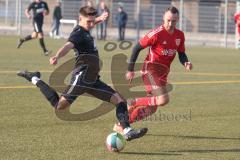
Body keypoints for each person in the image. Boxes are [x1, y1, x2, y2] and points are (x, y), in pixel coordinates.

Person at [17, 6, 147, 141]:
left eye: (92, 21)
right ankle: (34, 78)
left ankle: (127, 131)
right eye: (88, 21)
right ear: (80, 19)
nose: (91, 24)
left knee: (120, 101)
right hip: (81, 78)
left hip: (93, 80)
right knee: (59, 106)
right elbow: (68, 45)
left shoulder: (86, 29)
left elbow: (90, 22)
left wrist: (99, 19)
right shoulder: (78, 33)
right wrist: (57, 56)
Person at [113, 6, 193, 132]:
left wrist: (186, 62)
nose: (171, 24)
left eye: (174, 21)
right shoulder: (156, 33)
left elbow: (181, 53)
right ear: (163, 18)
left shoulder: (179, 35)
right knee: (163, 99)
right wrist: (130, 69)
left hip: (162, 74)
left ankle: (121, 124)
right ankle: (133, 102)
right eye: (168, 20)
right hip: (150, 70)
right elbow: (136, 48)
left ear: (177, 20)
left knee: (151, 109)